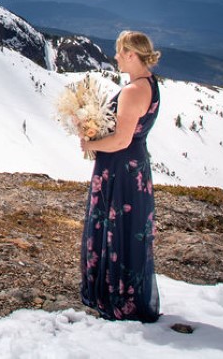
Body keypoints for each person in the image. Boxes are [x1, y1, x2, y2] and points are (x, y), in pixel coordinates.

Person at [79, 30, 162, 322]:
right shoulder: (149, 84)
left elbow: (120, 140)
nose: (115, 57)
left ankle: (115, 295)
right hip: (134, 168)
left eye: (118, 51)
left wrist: (90, 143)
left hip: (120, 170)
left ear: (131, 54)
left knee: (115, 225)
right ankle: (127, 291)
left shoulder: (132, 92)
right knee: (127, 228)